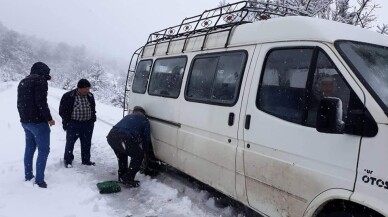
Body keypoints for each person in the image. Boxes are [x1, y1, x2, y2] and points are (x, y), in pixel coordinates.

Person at [17, 62, 55, 188]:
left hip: (25, 122)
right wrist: (49, 119)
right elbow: (41, 102)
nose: (47, 77)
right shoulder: (40, 81)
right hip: (38, 123)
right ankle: (39, 180)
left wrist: (24, 118)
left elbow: (19, 103)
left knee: (29, 149)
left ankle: (28, 175)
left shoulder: (23, 81)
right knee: (43, 150)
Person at [106, 106, 151, 188]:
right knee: (138, 156)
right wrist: (145, 151)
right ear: (143, 114)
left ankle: (122, 176)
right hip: (126, 137)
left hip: (112, 136)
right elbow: (146, 138)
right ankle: (128, 178)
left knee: (122, 155)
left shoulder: (128, 116)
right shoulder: (144, 120)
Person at [59, 79, 96, 168]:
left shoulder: (90, 96)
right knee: (70, 143)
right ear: (79, 88)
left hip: (87, 124)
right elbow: (62, 111)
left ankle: (86, 160)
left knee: (86, 143)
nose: (87, 90)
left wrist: (92, 119)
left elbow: (93, 108)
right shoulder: (68, 96)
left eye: (88, 88)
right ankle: (68, 161)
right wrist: (67, 122)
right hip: (73, 124)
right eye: (86, 89)